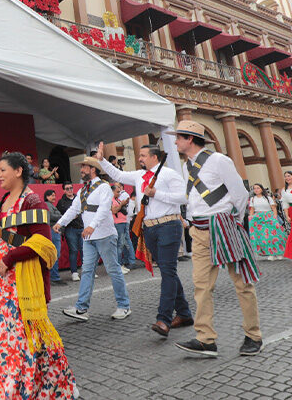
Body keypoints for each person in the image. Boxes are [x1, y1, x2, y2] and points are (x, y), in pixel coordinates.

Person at [171, 121, 262, 357]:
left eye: (179, 137)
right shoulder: (186, 167)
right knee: (201, 285)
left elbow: (240, 194)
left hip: (223, 225)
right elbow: (191, 200)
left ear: (190, 139)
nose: (176, 141)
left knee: (242, 283)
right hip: (199, 230)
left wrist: (235, 222)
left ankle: (253, 335)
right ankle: (206, 339)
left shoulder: (219, 160)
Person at [0, 152, 77, 398]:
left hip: (23, 284)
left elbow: (43, 243)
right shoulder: (4, 200)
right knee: (11, 339)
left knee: (24, 340)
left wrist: (9, 258)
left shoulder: (32, 201)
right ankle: (52, 387)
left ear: (18, 171)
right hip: (2, 286)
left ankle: (18, 392)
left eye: (3, 170)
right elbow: (4, 235)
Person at [96, 142, 192, 337]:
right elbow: (118, 175)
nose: (139, 158)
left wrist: (157, 193)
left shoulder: (169, 174)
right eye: (139, 156)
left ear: (154, 157)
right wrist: (102, 161)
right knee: (168, 271)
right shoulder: (139, 176)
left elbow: (183, 197)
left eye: (143, 155)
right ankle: (184, 313)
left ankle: (163, 319)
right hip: (149, 228)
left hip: (168, 225)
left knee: (167, 271)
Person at [55, 157, 131, 321]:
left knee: (113, 270)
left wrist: (92, 226)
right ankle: (81, 309)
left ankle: (124, 306)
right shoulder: (83, 190)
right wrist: (60, 223)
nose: (81, 169)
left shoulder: (103, 187)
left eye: (84, 166)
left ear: (93, 169)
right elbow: (74, 209)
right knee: (87, 271)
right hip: (89, 238)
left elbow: (104, 209)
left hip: (104, 235)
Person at [248, 184, 286, 260]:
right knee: (264, 237)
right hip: (258, 218)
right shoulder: (253, 199)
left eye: (258, 188)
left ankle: (279, 252)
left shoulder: (268, 198)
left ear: (262, 189)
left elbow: (274, 208)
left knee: (274, 235)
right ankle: (270, 253)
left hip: (268, 216)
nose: (256, 190)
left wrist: (275, 217)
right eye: (254, 188)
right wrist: (251, 217)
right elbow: (252, 209)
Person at [112, 182, 142, 273]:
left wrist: (122, 204)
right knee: (120, 244)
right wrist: (122, 204)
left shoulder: (117, 199)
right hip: (118, 223)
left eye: (119, 191)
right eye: (117, 192)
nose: (119, 193)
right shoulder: (112, 200)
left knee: (124, 243)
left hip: (124, 222)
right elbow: (114, 210)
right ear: (112, 192)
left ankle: (126, 262)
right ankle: (120, 264)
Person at [57, 182, 83, 281]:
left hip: (81, 227)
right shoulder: (61, 202)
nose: (70, 190)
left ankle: (87, 270)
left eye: (71, 188)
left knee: (84, 249)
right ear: (64, 190)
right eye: (67, 189)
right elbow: (62, 216)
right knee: (73, 250)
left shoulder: (78, 199)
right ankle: (74, 272)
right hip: (70, 229)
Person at [44, 190, 67, 286]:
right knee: (55, 254)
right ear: (47, 197)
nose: (54, 197)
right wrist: (63, 217)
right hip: (53, 231)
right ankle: (55, 277)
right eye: (52, 195)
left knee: (54, 254)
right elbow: (50, 216)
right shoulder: (47, 205)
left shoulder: (49, 205)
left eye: (54, 195)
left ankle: (54, 276)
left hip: (53, 231)